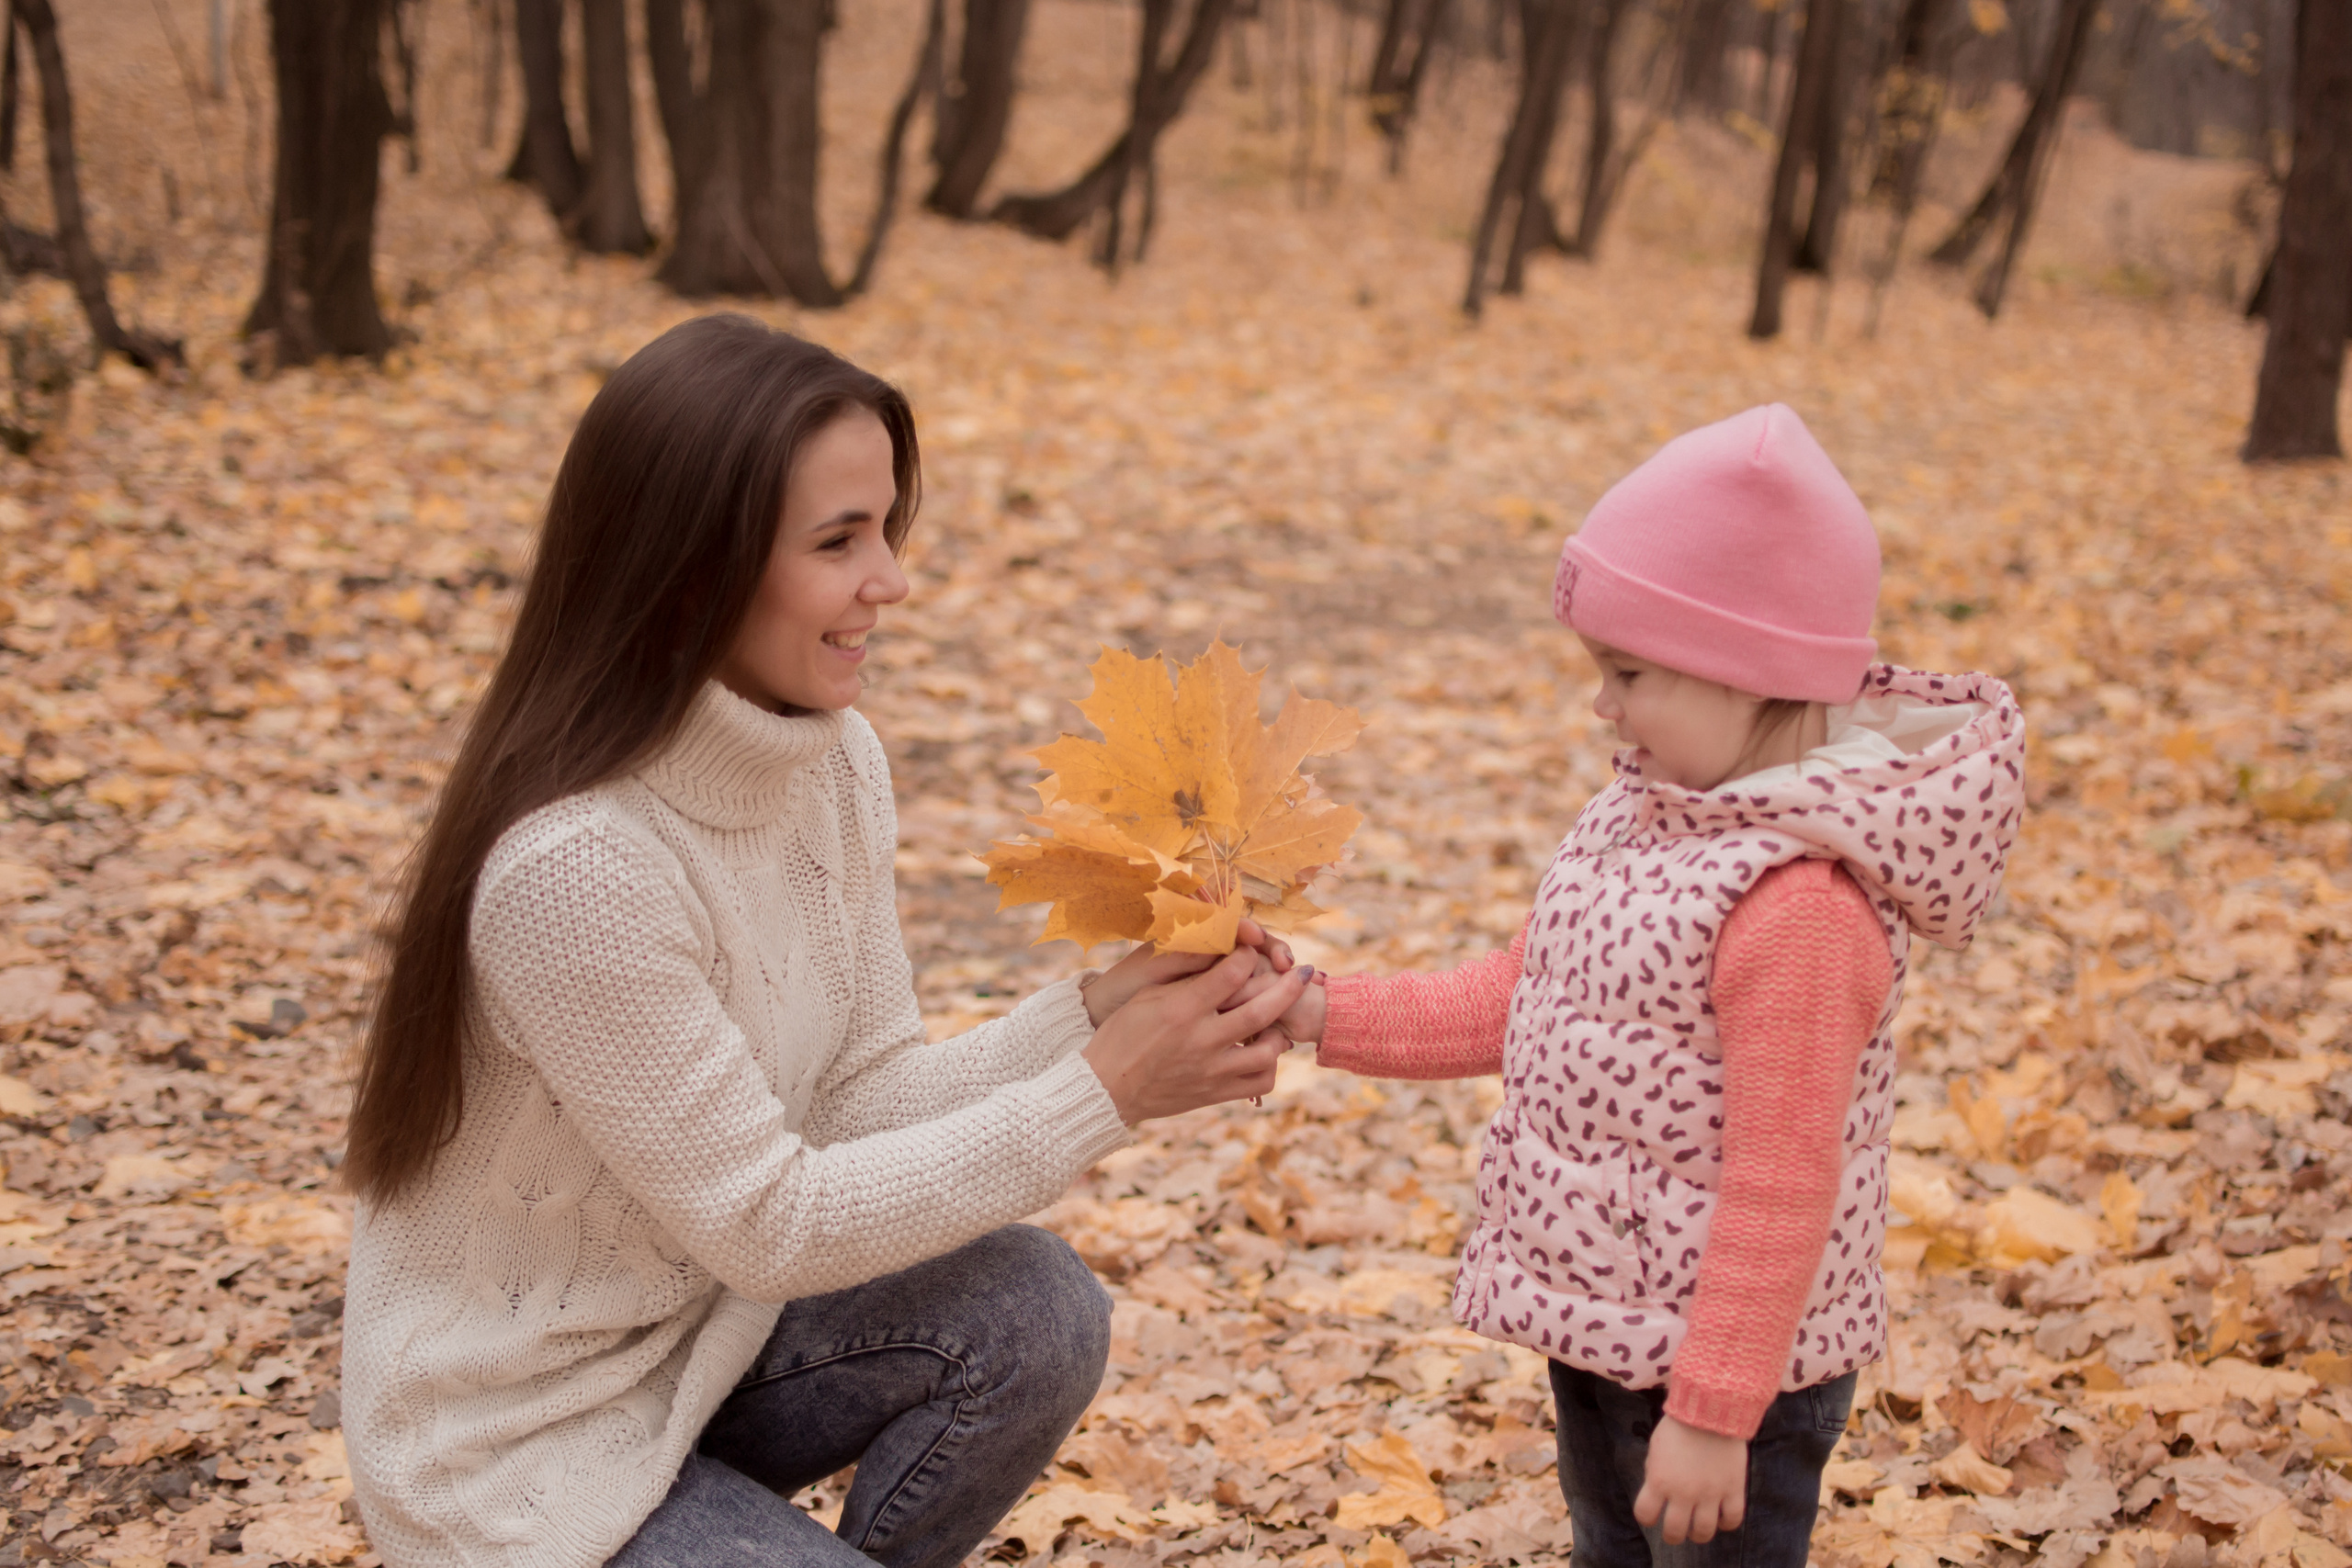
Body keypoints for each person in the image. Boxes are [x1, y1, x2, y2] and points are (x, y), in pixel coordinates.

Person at [336, 314, 1311, 1568]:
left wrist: (1094, 1017)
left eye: (887, 528)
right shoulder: (575, 870)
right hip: (514, 1452)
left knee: (1034, 1307)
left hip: (705, 1348)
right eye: (839, 541)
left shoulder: (834, 763)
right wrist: (1103, 1093)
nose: (890, 580)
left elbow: (857, 1099)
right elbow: (772, 1222)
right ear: (692, 567)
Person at [1259, 405, 2026, 1567]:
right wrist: (1319, 1011)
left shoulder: (1800, 908)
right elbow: (1521, 999)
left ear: (1746, 673)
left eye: (1626, 673)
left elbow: (1782, 1182)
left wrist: (1715, 1414)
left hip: (1735, 1385)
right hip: (1605, 1336)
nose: (1602, 707)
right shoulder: (1649, 817)